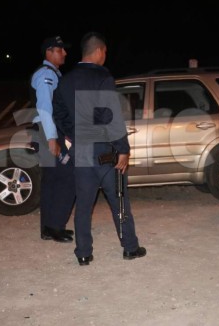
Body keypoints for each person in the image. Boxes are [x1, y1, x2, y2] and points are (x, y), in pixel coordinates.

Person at [53, 32, 146, 266]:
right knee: (119, 201)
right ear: (98, 52)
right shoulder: (102, 78)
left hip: (81, 150)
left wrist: (71, 133)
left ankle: (83, 253)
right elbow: (110, 115)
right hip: (104, 151)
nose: (105, 56)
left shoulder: (66, 80)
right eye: (105, 52)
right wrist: (123, 148)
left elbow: (59, 112)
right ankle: (130, 248)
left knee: (84, 204)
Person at [31, 35, 75, 243]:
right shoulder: (47, 75)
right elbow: (45, 109)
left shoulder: (50, 74)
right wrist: (52, 139)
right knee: (66, 177)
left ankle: (48, 228)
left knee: (51, 181)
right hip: (48, 131)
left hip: (45, 131)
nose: (64, 53)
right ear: (49, 52)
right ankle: (56, 226)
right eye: (60, 49)